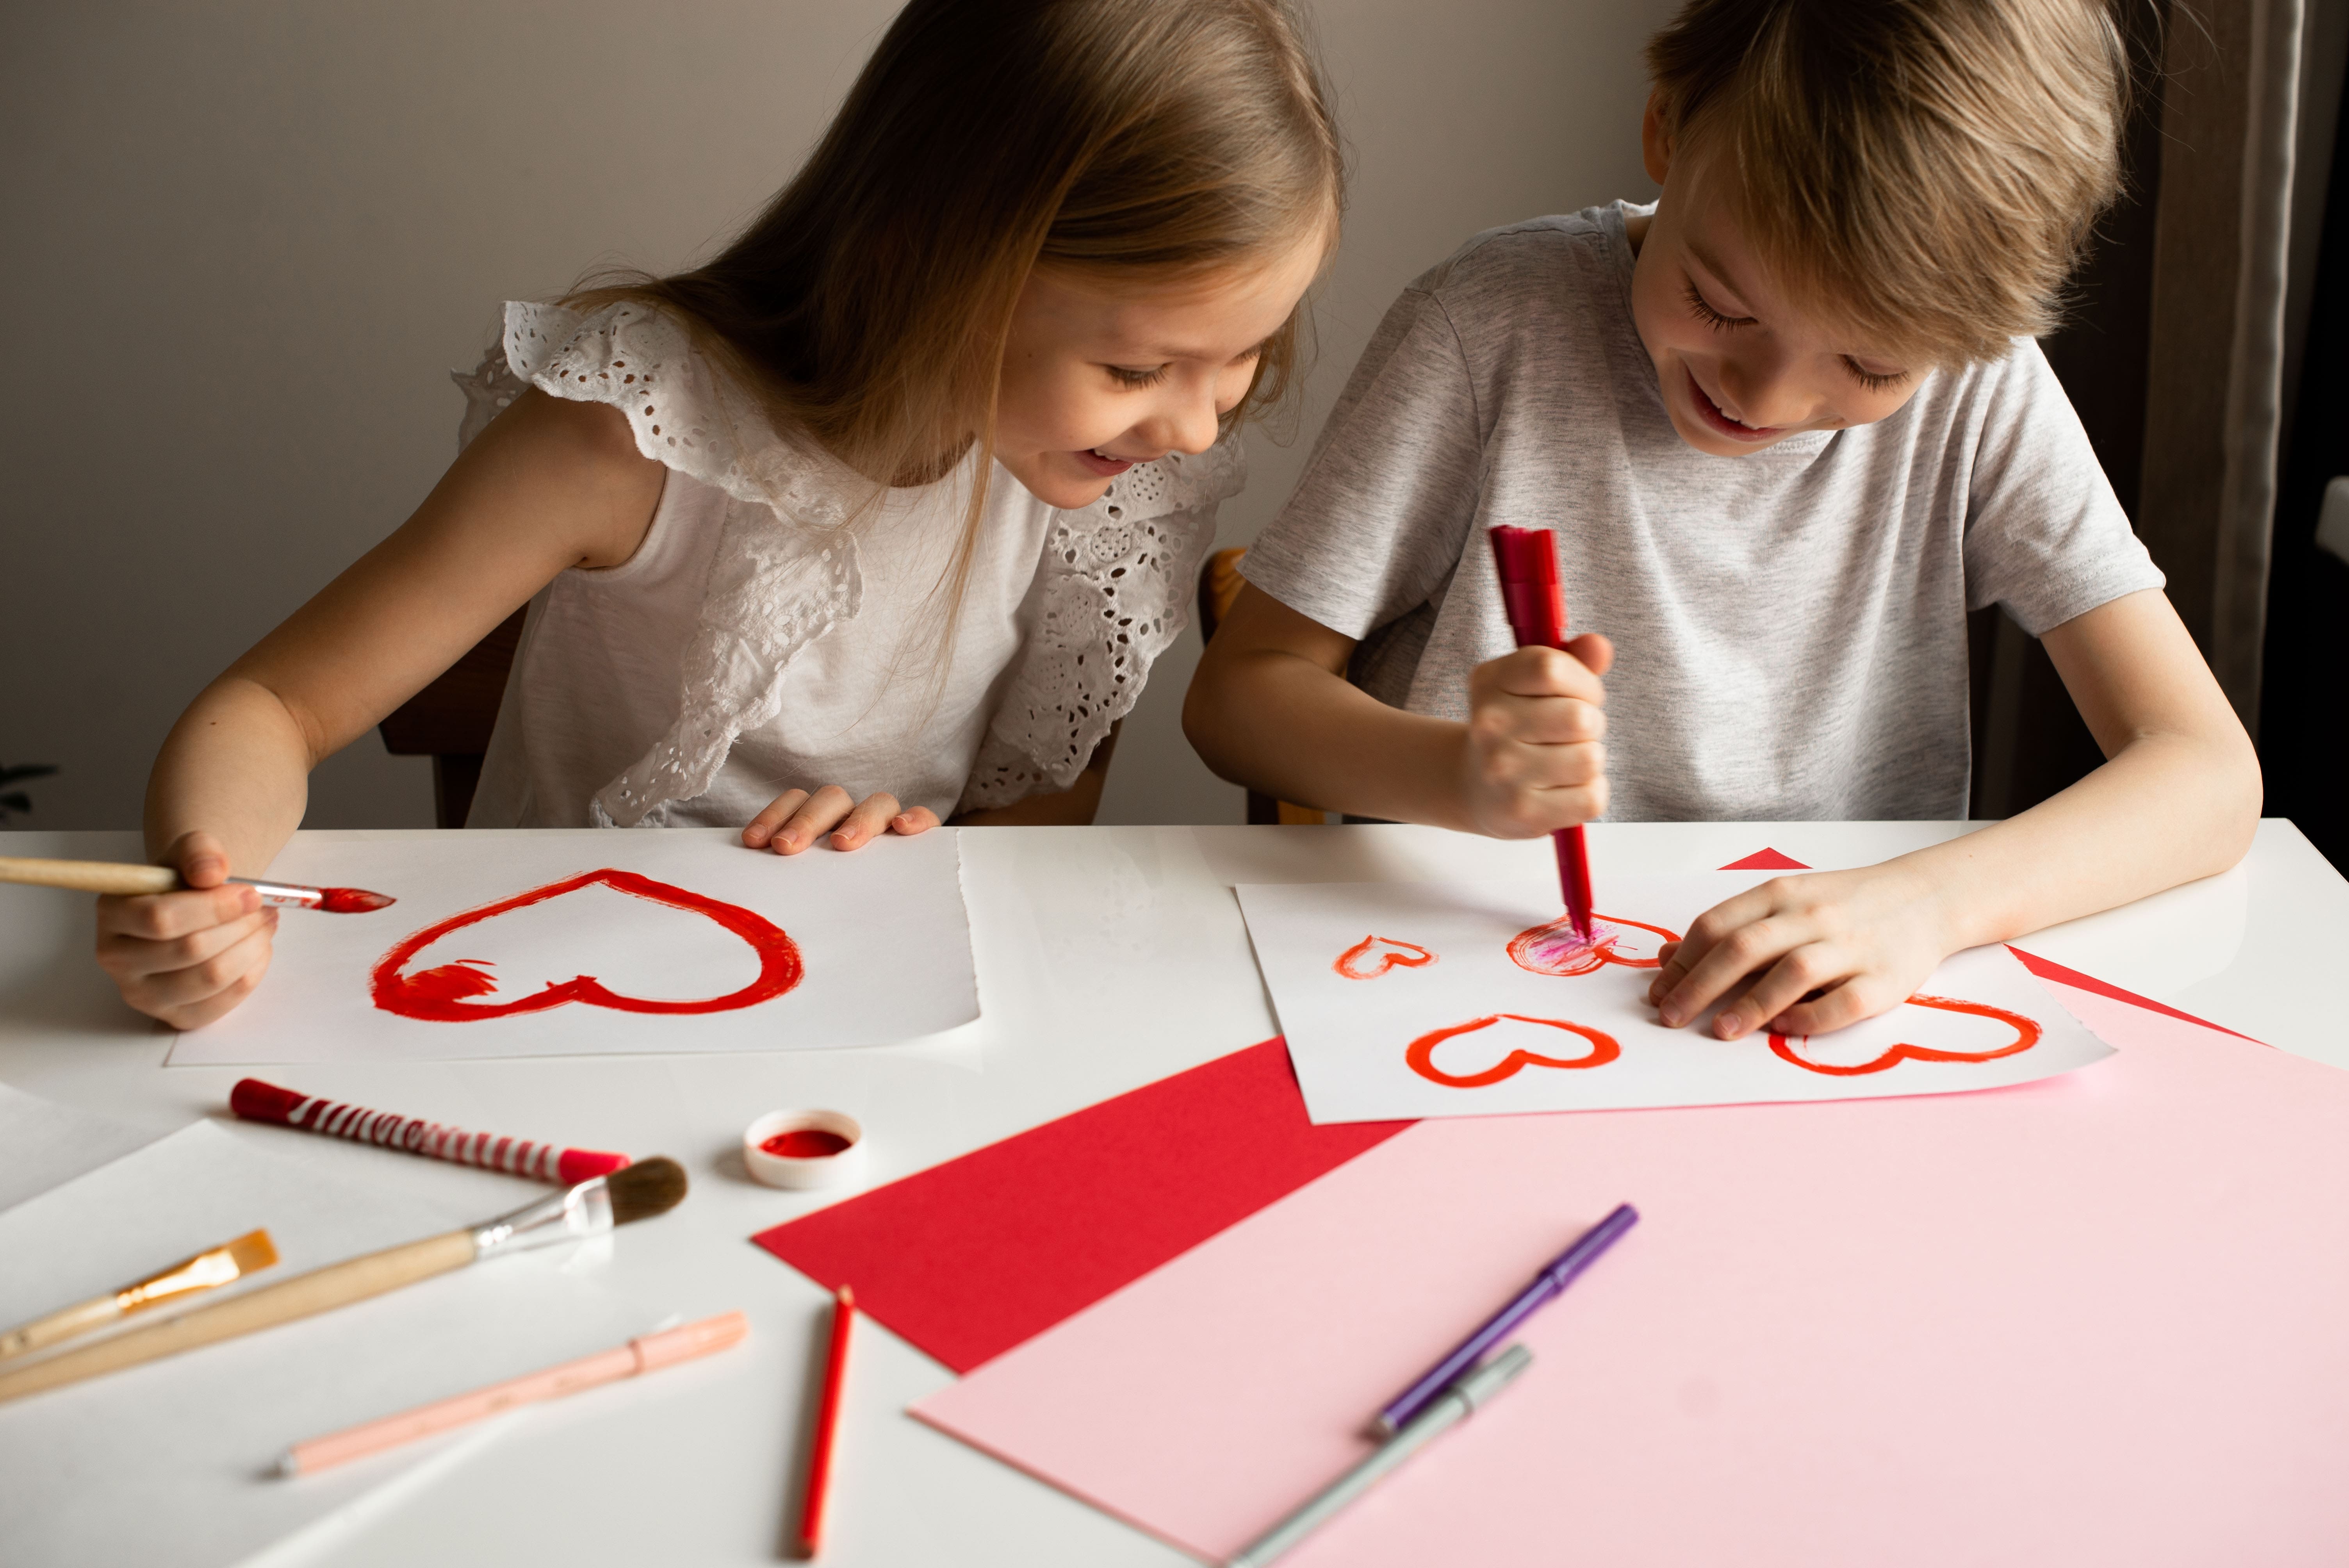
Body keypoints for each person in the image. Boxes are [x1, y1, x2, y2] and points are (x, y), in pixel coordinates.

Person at [100, 0, 1341, 1028]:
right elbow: (271, 707)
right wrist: (207, 883)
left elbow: (1037, 838)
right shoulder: (633, 431)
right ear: (928, 262)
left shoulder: (1109, 484)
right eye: (1135, 371)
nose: (1196, 428)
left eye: (1242, 357)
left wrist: (912, 846)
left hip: (853, 1017)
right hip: (547, 1012)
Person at [1185, 0, 2258, 1045]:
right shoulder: (1488, 329)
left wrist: (1925, 906)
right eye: (1721, 305)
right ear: (1667, 125)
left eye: (1871, 365)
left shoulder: (1977, 388)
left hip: (1813, 1028)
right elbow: (1237, 702)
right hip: (1489, 997)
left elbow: (2207, 774)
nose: (1769, 396)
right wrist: (1455, 772)